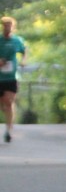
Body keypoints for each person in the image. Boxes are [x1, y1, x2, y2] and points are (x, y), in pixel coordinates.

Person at [0, 15, 27, 144]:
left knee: (9, 102)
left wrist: (23, 61)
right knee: (3, 104)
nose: (7, 28)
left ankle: (9, 130)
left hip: (11, 77)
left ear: (13, 27)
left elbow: (24, 50)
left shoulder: (17, 40)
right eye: (5, 26)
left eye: (9, 26)